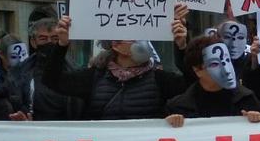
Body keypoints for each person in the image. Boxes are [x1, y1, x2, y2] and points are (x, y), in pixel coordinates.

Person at [44, 15, 190, 120]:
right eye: (133, 37)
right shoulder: (94, 78)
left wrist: (182, 46)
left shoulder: (159, 79)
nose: (142, 42)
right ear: (116, 45)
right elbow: (52, 80)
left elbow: (193, 82)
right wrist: (62, 45)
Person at [164, 35, 260, 126]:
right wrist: (168, 125)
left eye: (227, 60)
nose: (226, 70)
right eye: (215, 64)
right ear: (197, 70)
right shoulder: (178, 107)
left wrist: (257, 121)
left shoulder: (247, 100)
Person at [16, 18, 84, 120]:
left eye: (55, 38)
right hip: (32, 132)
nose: (49, 42)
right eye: (43, 39)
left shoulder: (75, 72)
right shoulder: (18, 73)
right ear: (33, 42)